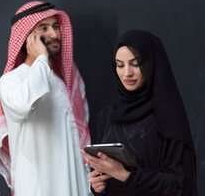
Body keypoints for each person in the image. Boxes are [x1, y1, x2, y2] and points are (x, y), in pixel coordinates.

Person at [81, 30, 198, 195]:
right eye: (120, 65)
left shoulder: (168, 117)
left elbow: (179, 184)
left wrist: (124, 174)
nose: (127, 73)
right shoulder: (108, 116)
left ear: (152, 64)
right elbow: (103, 182)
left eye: (135, 64)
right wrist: (98, 186)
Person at [0, 1, 90, 196]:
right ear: (27, 38)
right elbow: (24, 105)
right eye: (43, 28)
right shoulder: (11, 80)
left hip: (74, 184)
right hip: (38, 187)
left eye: (55, 26)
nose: (54, 34)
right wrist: (41, 58)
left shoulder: (65, 82)